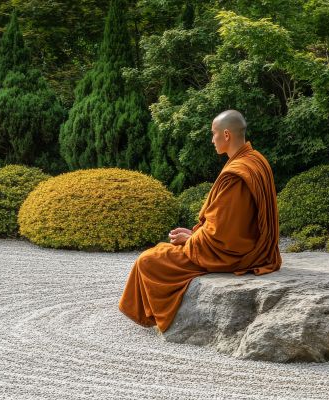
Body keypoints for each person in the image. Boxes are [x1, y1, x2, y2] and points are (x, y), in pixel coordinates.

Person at [118, 110, 282, 332]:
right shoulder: (255, 159)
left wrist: (193, 238)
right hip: (253, 246)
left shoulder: (236, 174)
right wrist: (196, 233)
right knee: (162, 251)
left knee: (148, 260)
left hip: (235, 254)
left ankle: (152, 316)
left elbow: (222, 235)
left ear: (226, 135)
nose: (211, 139)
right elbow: (228, 224)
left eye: (213, 134)